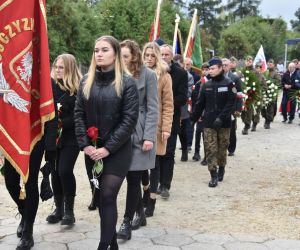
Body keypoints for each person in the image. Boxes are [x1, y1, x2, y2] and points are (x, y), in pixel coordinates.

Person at [74, 35, 139, 250]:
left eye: (104, 50)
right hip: (92, 151)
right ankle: (112, 243)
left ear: (115, 54)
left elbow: (129, 120)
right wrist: (85, 145)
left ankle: (103, 246)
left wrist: (107, 148)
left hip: (117, 150)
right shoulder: (86, 80)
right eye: (96, 50)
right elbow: (79, 115)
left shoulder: (127, 82)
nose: (99, 54)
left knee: (109, 193)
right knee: (101, 197)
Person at [3, 92, 57, 250]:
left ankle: (28, 231)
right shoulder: (11, 75)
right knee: (10, 182)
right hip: (13, 135)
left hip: (36, 136)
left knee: (30, 182)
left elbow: (51, 114)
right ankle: (24, 213)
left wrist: (50, 147)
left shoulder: (43, 77)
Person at [116, 40, 158, 241]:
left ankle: (126, 220)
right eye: (119, 56)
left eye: (124, 56)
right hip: (118, 131)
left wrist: (149, 136)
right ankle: (140, 213)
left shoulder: (148, 75)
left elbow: (153, 107)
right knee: (121, 176)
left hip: (139, 132)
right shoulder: (115, 74)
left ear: (133, 56)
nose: (121, 60)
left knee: (133, 178)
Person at [134, 42, 173, 222]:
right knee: (141, 165)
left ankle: (151, 201)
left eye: (152, 56)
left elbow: (168, 105)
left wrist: (166, 128)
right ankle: (144, 193)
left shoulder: (164, 76)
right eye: (146, 55)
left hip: (156, 127)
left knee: (154, 165)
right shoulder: (137, 73)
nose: (149, 58)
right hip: (139, 126)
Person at [45, 54, 81, 227]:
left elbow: (79, 116)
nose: (57, 70)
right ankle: (58, 209)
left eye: (62, 67)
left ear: (70, 69)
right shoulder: (49, 87)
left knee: (64, 171)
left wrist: (59, 123)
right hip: (52, 137)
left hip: (71, 137)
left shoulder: (79, 89)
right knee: (54, 172)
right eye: (56, 67)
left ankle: (69, 211)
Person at [192, 57, 235, 187]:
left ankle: (221, 167)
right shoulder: (207, 85)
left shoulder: (229, 84)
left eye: (213, 68)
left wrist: (221, 118)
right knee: (210, 149)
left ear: (221, 68)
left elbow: (230, 103)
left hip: (224, 123)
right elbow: (200, 104)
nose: (210, 71)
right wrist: (193, 118)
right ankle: (213, 175)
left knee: (222, 148)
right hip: (209, 123)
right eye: (209, 69)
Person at [158, 44, 188, 198]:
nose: (163, 57)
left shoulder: (181, 73)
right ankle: (155, 181)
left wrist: (165, 102)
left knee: (168, 153)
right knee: (155, 154)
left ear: (171, 56)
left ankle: (165, 185)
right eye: (161, 54)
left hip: (171, 119)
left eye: (166, 55)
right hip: (154, 120)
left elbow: (183, 97)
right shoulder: (151, 71)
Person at [173, 54, 193, 162]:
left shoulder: (187, 76)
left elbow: (188, 92)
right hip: (170, 105)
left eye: (179, 63)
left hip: (182, 107)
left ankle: (184, 150)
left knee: (182, 131)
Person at [222, 58, 243, 156]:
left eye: (226, 65)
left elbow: (239, 95)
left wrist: (238, 109)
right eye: (222, 65)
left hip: (232, 108)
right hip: (220, 106)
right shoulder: (217, 77)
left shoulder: (235, 78)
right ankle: (222, 147)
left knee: (231, 130)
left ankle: (231, 149)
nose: (224, 67)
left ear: (230, 66)